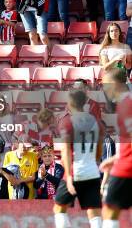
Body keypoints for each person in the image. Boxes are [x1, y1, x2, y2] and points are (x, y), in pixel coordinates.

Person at [53, 90, 104, 228]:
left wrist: (69, 177)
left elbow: (65, 150)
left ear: (69, 103)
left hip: (75, 172)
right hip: (92, 171)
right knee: (94, 212)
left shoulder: (67, 122)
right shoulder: (96, 122)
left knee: (59, 209)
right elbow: (99, 150)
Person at [99, 69, 132, 228]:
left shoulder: (127, 105)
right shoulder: (124, 104)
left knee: (109, 210)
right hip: (123, 162)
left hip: (127, 167)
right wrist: (113, 159)